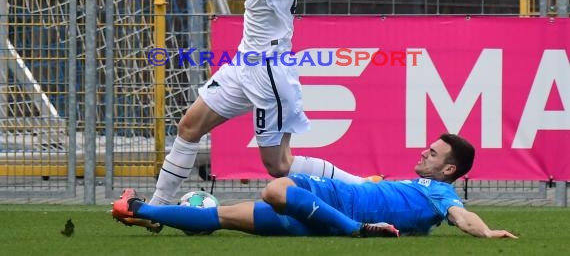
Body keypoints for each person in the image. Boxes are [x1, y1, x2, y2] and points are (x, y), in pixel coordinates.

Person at [117, 0, 370, 232]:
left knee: (279, 166)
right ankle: (156, 211)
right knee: (189, 127)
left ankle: (363, 187)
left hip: (269, 69)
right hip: (243, 64)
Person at [112, 134, 518, 238]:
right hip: (316, 217)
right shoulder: (419, 194)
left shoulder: (440, 193)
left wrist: (485, 231)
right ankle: (139, 210)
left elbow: (460, 215)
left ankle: (353, 231)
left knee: (274, 188)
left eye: (433, 154)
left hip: (333, 202)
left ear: (448, 171)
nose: (423, 153)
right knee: (223, 216)